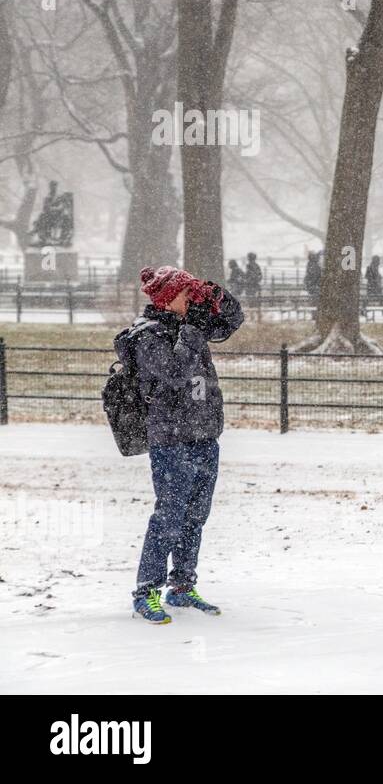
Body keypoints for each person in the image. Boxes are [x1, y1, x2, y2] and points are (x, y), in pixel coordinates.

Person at [117, 266, 244, 624]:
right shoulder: (147, 336)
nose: (191, 300)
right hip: (171, 440)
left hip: (205, 436)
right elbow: (173, 373)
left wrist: (214, 295)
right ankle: (147, 591)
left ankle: (183, 586)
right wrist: (189, 330)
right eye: (186, 294)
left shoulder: (192, 324)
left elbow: (232, 321)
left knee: (195, 517)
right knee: (169, 516)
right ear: (167, 298)